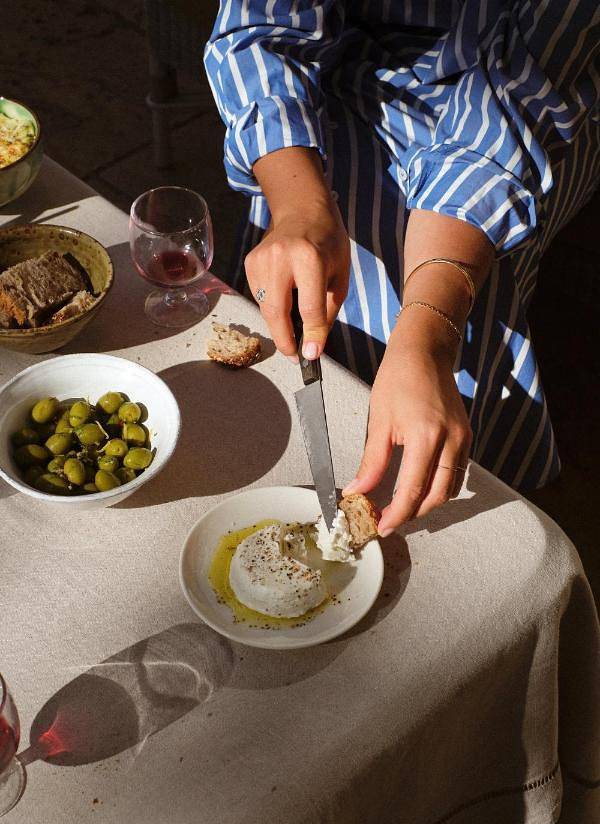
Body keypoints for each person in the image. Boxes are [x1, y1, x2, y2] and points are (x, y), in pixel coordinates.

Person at [204, 1, 600, 537]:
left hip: (539, 104)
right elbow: (257, 31)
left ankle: (483, 517)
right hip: (339, 65)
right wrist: (300, 208)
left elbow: (512, 106)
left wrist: (427, 333)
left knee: (431, 313)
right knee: (301, 258)